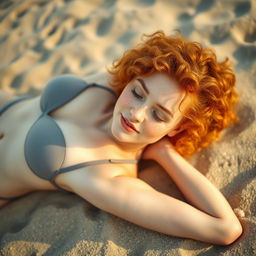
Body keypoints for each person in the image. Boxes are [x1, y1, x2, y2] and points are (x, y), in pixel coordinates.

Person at [0, 31, 242, 245]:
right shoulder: (112, 87)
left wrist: (166, 155)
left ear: (177, 129)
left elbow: (224, 228)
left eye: (158, 114)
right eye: (138, 93)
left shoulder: (107, 177)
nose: (135, 114)